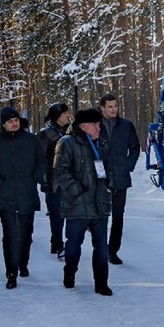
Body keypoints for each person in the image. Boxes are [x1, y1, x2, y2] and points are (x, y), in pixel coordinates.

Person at [54, 107, 113, 296]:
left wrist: (110, 184)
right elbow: (60, 172)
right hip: (77, 204)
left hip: (100, 204)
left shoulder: (102, 143)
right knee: (73, 245)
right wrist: (77, 190)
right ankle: (69, 272)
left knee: (102, 248)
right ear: (83, 126)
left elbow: (110, 168)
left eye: (99, 124)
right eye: (95, 125)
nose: (98, 128)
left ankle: (101, 283)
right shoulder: (67, 143)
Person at [0, 106, 45, 288]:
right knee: (10, 234)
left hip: (27, 192)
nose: (14, 123)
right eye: (10, 121)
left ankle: (23, 262)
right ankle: (11, 272)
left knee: (26, 232)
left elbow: (41, 162)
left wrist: (34, 179)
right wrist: (0, 184)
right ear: (3, 124)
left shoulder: (31, 140)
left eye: (16, 120)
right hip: (6, 195)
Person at [97, 93, 140, 265]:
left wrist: (127, 166)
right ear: (102, 108)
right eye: (110, 106)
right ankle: (100, 248)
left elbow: (135, 148)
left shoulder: (126, 126)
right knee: (100, 216)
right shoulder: (95, 125)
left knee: (118, 216)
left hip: (121, 178)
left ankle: (113, 250)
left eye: (115, 106)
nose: (114, 109)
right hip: (100, 179)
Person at [39, 102, 71, 258]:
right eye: (65, 114)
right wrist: (44, 181)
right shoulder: (46, 134)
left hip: (69, 179)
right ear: (57, 117)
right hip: (53, 180)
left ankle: (58, 242)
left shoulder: (71, 131)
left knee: (68, 213)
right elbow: (42, 159)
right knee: (56, 215)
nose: (68, 116)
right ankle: (58, 243)